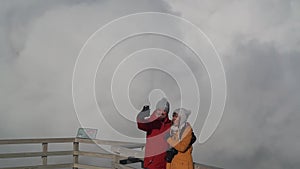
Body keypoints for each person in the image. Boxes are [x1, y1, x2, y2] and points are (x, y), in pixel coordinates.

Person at [136, 98, 172, 169]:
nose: (161, 112)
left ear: (167, 112)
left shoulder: (170, 125)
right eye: (159, 109)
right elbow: (141, 124)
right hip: (151, 163)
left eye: (164, 110)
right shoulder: (151, 122)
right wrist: (141, 115)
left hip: (164, 163)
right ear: (156, 110)